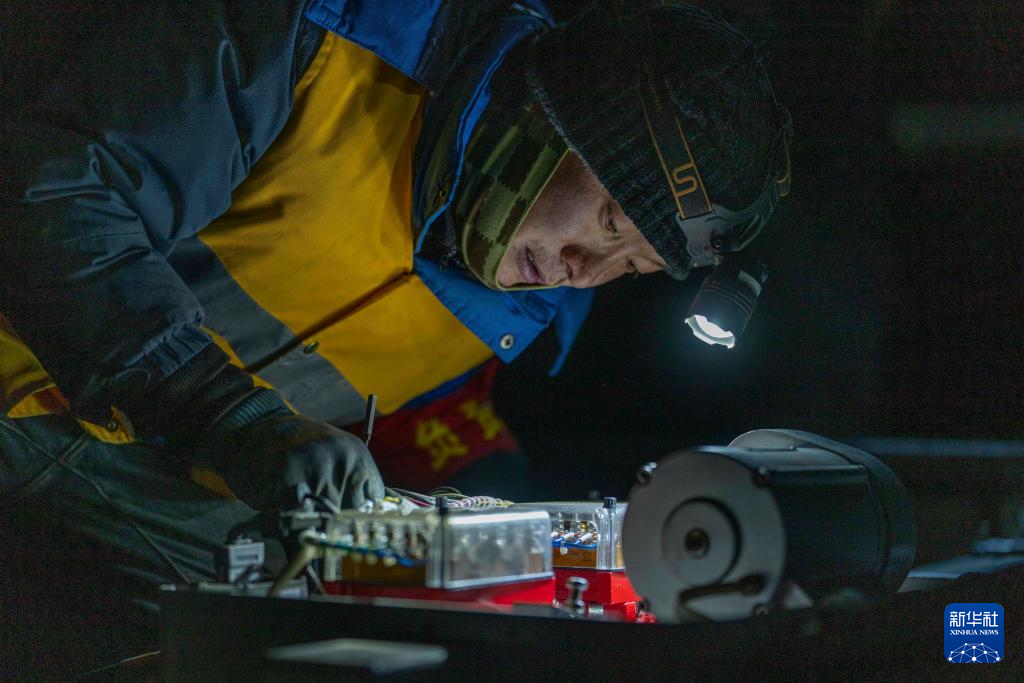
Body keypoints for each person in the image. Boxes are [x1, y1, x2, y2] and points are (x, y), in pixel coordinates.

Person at [0, 0, 789, 675]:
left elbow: (427, 432)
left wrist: (466, 517)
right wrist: (224, 413)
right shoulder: (332, 35)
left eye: (630, 266)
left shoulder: (531, 308)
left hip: (149, 482)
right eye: (610, 221)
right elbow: (56, 190)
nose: (584, 272)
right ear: (558, 118)